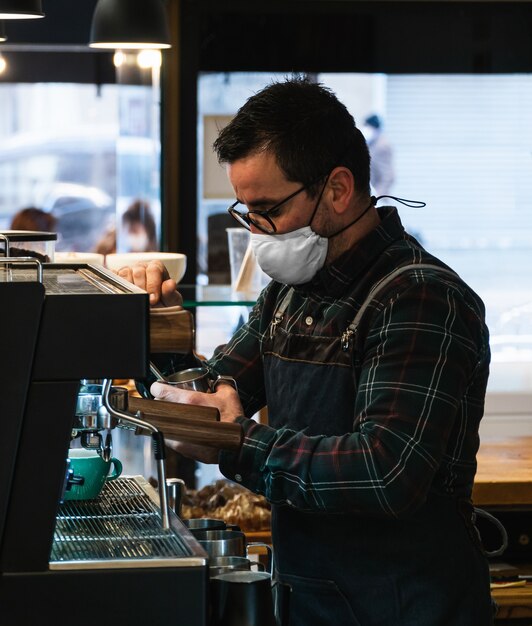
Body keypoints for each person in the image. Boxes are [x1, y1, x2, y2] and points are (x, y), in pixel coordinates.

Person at [118, 78, 493, 625]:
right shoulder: (289, 293)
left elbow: (384, 472)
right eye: (245, 211)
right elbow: (216, 389)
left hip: (405, 605)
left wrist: (237, 441)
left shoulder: (419, 298)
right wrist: (161, 332)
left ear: (338, 189)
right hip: (309, 597)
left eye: (267, 209)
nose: (257, 232)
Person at [362, 113, 395, 197]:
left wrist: (377, 195)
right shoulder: (369, 142)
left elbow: (388, 175)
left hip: (378, 197)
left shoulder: (382, 145)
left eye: (368, 127)